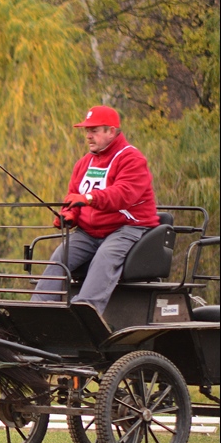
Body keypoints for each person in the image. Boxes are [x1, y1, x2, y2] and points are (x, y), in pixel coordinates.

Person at [30, 105, 160, 315]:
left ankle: (84, 314)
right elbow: (73, 195)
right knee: (60, 256)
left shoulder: (131, 159)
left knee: (105, 258)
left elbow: (124, 194)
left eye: (94, 130)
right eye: (86, 131)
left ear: (111, 131)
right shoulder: (84, 163)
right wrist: (69, 215)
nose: (88, 136)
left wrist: (88, 199)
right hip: (90, 232)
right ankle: (37, 311)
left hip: (126, 228)